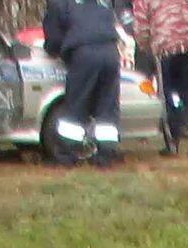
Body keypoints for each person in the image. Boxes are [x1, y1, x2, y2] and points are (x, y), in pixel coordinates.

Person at [41, 0, 125, 166]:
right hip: (110, 52)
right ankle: (106, 156)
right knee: (107, 105)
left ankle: (65, 156)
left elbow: (54, 40)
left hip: (84, 53)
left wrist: (55, 50)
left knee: (77, 103)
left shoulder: (59, 3)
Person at [131, 0, 188, 150]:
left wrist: (146, 47)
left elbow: (140, 25)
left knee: (167, 95)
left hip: (163, 46)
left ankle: (173, 143)